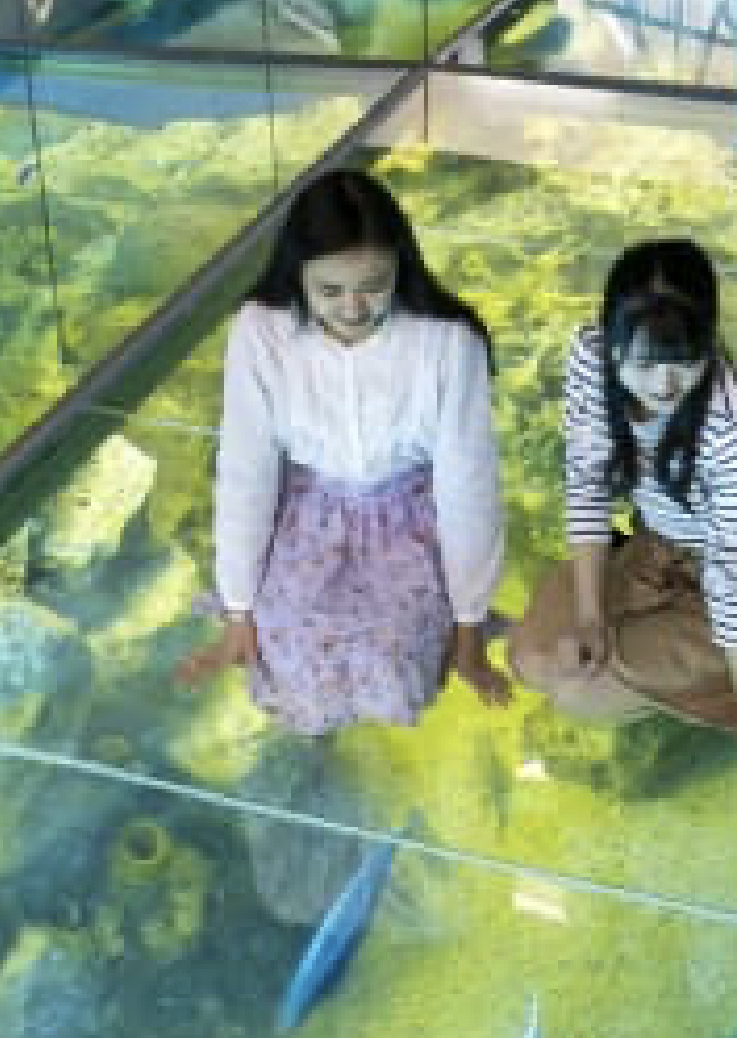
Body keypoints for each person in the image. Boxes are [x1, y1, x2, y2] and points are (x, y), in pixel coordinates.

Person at [177, 168, 509, 735]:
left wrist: (469, 622)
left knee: (393, 652)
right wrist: (239, 609)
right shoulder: (260, 331)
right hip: (308, 509)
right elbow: (245, 471)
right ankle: (316, 732)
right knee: (287, 640)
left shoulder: (449, 342)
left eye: (374, 285)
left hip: (411, 515)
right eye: (329, 290)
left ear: (402, 266)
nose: (353, 307)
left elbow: (467, 486)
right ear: (297, 274)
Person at [508, 239, 737, 771]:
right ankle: (647, 654)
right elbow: (587, 483)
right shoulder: (591, 358)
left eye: (685, 362)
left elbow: (733, 577)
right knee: (533, 661)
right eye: (645, 364)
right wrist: (591, 617)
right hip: (661, 544)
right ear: (613, 341)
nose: (664, 384)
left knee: (578, 696)